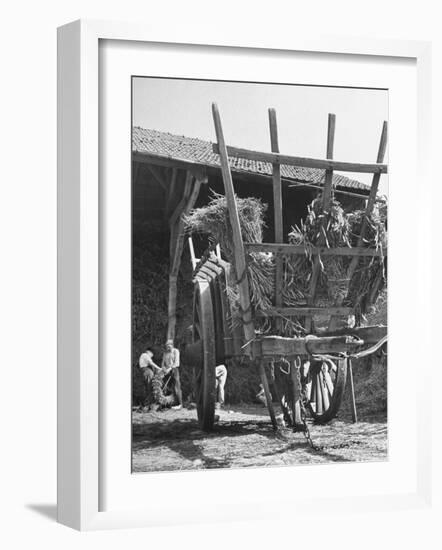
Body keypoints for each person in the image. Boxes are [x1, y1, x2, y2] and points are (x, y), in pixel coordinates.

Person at [161, 339, 183, 410]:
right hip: (166, 371)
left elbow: (177, 363)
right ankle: (167, 404)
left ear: (172, 345)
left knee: (176, 387)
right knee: (167, 387)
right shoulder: (165, 353)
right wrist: (164, 369)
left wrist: (169, 369)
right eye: (166, 346)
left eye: (169, 345)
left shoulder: (176, 351)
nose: (168, 347)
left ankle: (179, 404)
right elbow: (163, 363)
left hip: (174, 370)